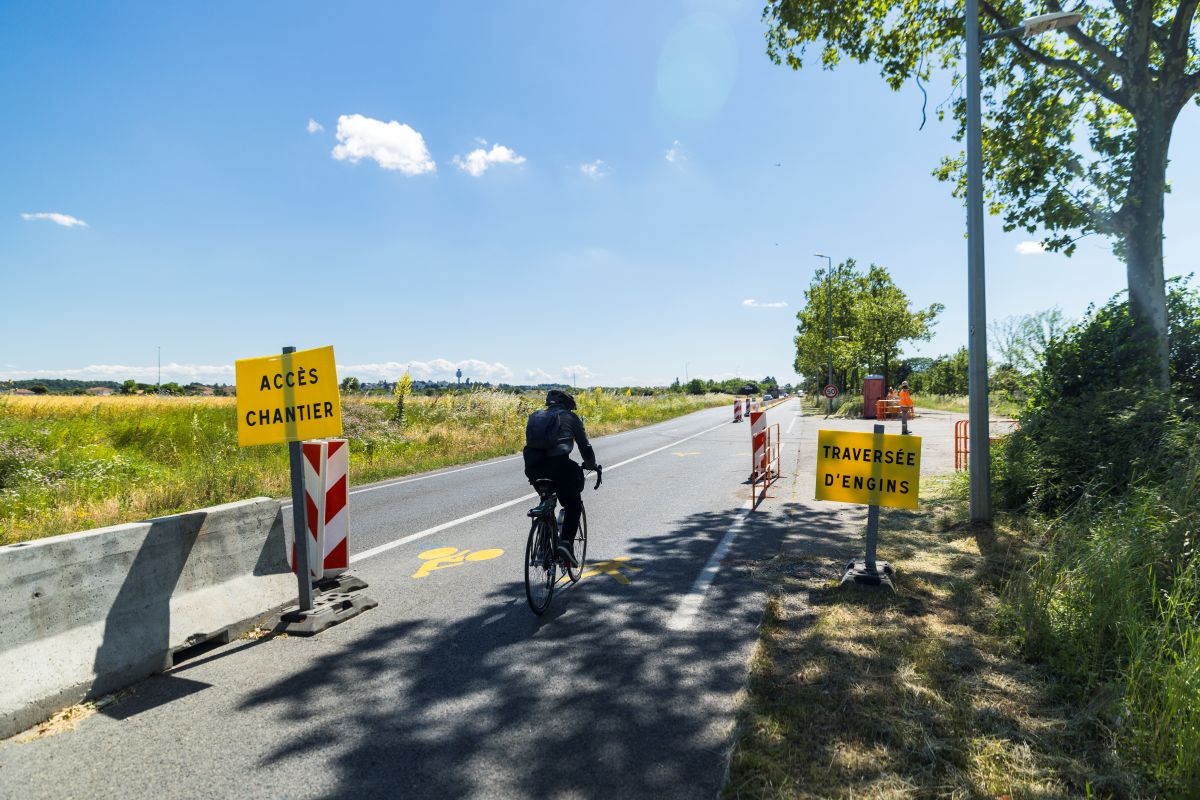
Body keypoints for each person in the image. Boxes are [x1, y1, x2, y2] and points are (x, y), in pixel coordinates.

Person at [523, 389, 597, 568]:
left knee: (546, 500)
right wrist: (591, 464)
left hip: (534, 468)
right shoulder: (570, 418)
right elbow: (584, 446)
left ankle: (542, 547)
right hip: (560, 466)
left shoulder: (535, 417)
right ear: (568, 404)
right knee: (573, 504)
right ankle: (565, 544)